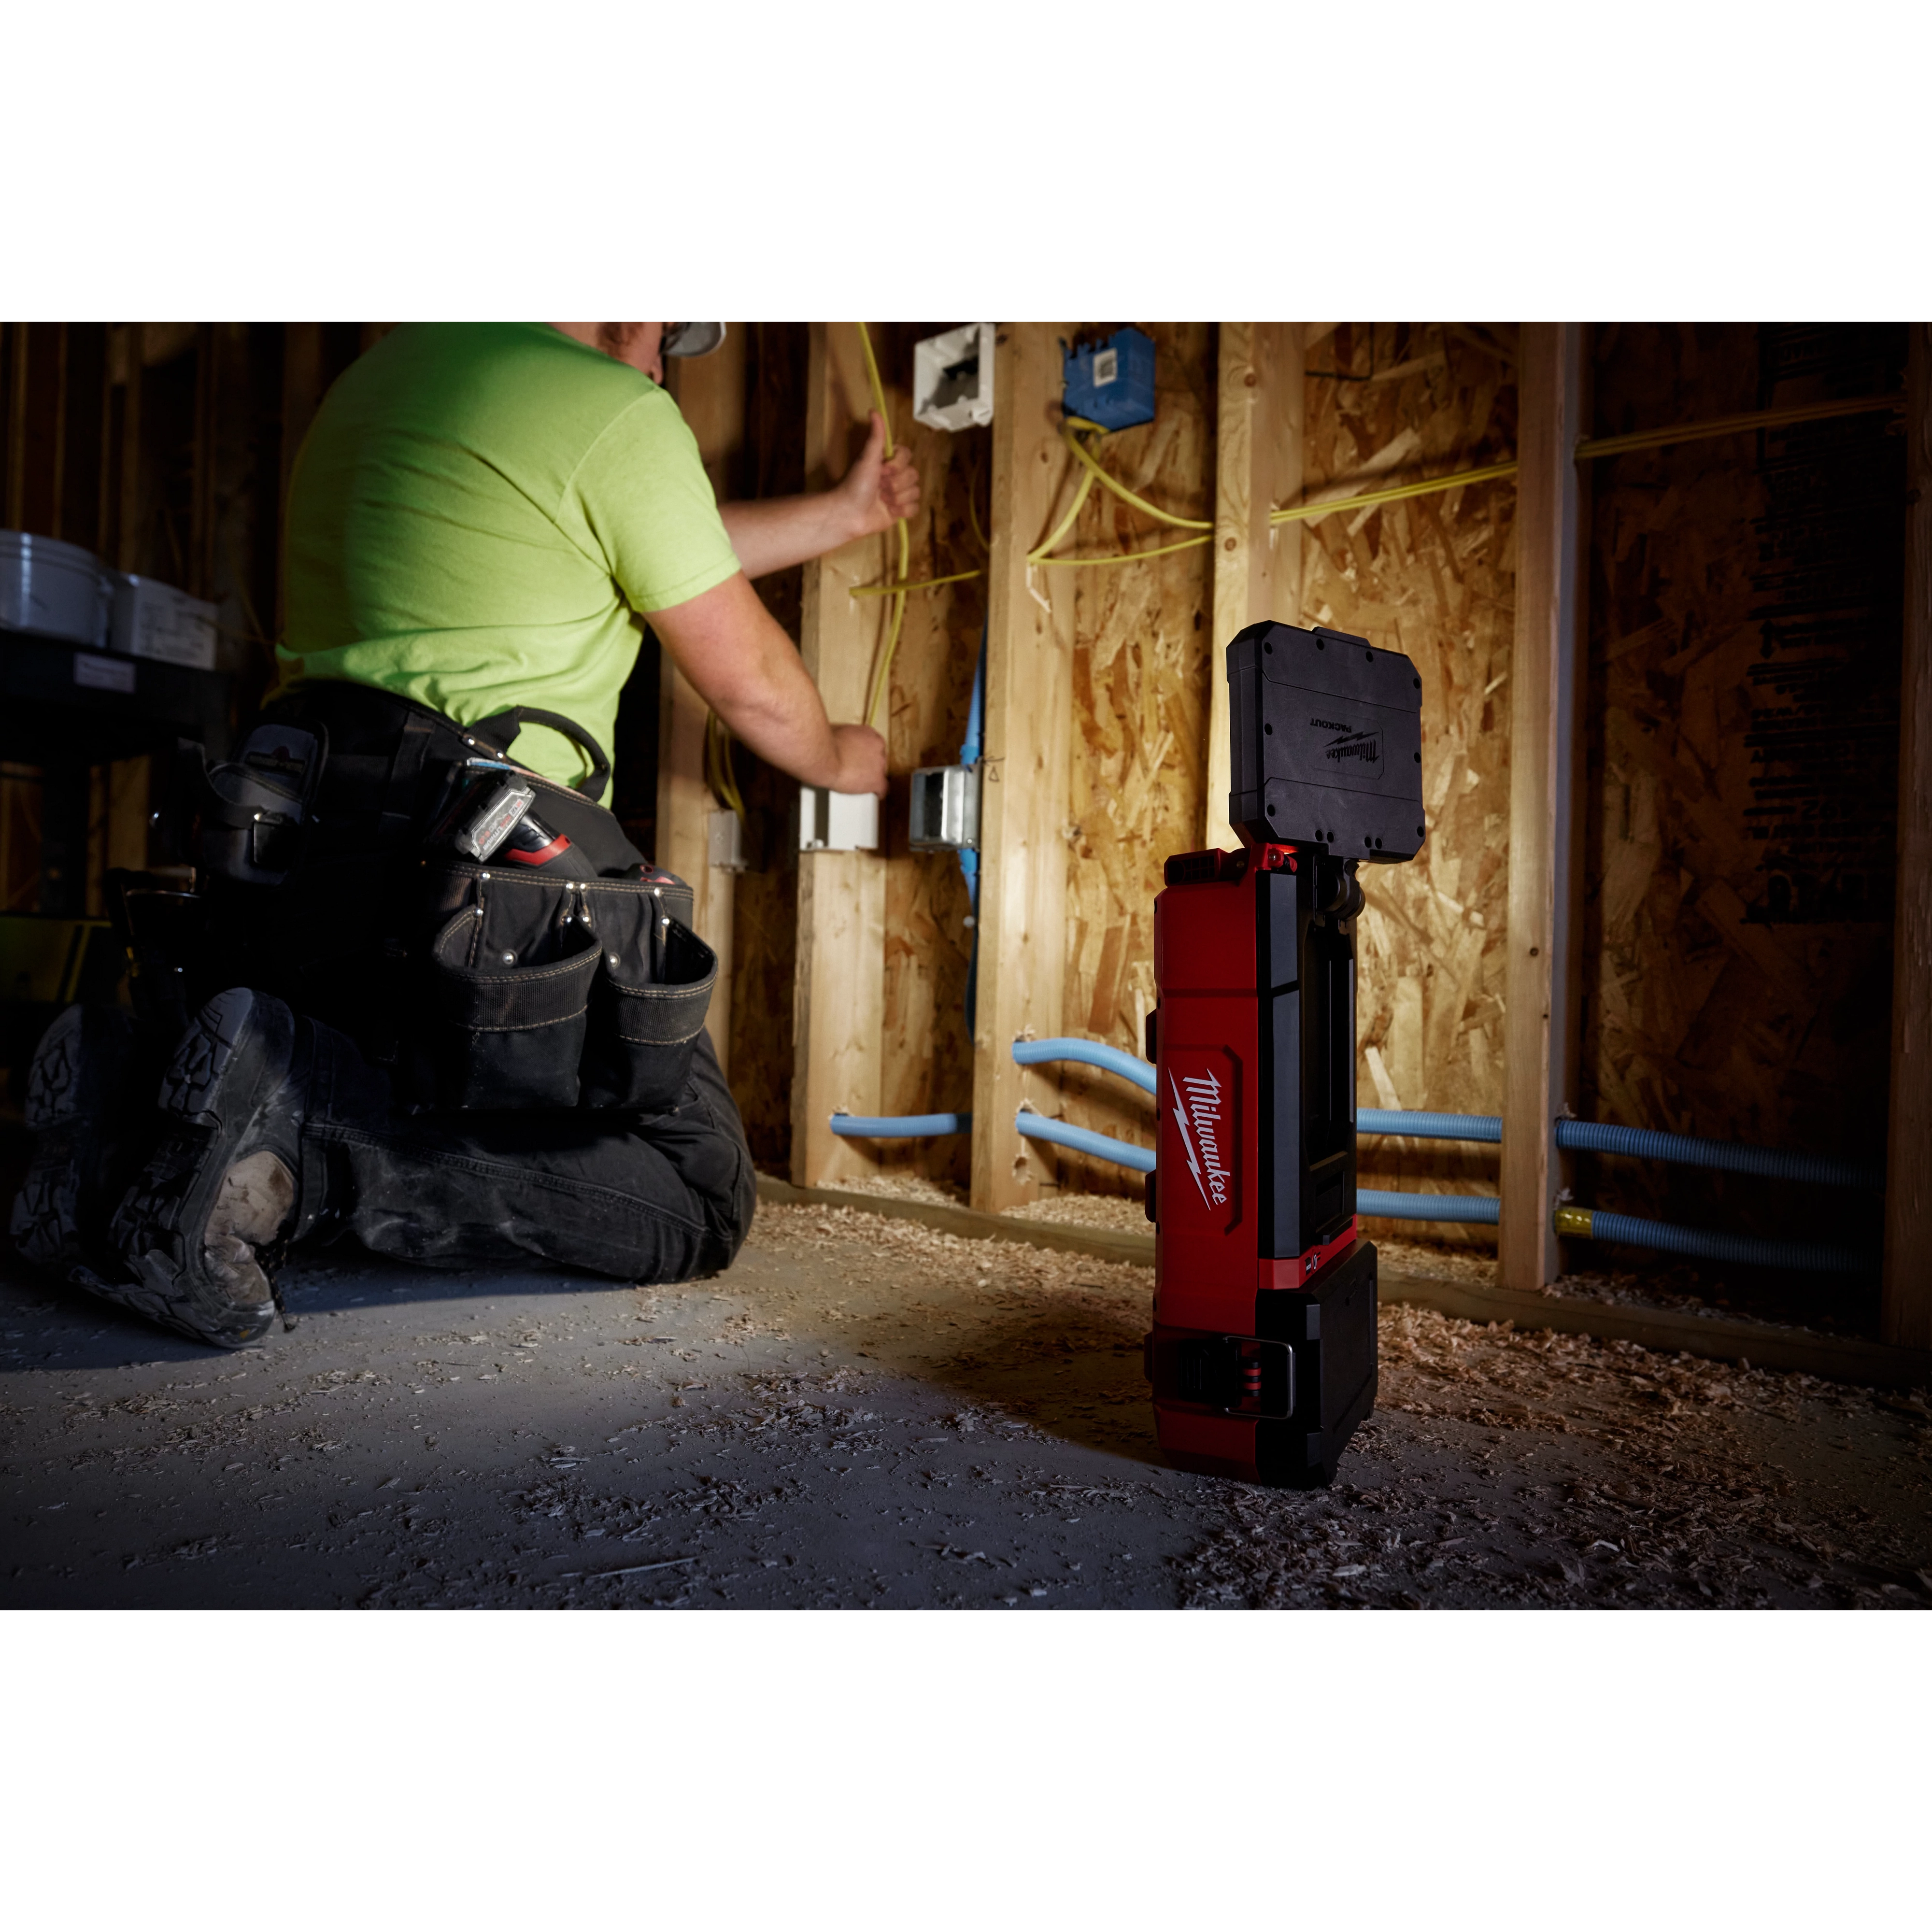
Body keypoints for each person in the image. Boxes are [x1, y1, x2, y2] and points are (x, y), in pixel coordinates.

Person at [12, 319, 915, 1347]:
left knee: (425, 1093)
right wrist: (842, 757)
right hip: (480, 896)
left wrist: (843, 516)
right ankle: (296, 1145)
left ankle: (123, 1112)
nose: (665, 363)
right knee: (694, 1193)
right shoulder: (616, 413)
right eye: (667, 334)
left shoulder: (385, 376)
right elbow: (750, 682)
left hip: (312, 875)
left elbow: (658, 535)